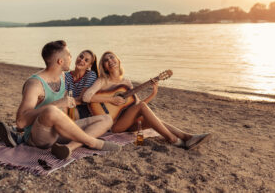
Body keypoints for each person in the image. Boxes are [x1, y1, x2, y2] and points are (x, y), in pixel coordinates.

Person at [0, 41, 120, 160]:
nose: (72, 58)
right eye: (69, 55)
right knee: (51, 110)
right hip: (40, 135)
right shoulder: (35, 84)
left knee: (106, 119)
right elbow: (20, 122)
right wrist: (57, 104)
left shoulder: (62, 77)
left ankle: (70, 147)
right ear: (60, 61)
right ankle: (92, 142)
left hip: (60, 131)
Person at [83, 51, 211, 150]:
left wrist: (153, 93)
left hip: (129, 123)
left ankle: (187, 137)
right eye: (106, 60)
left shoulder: (126, 83)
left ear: (118, 60)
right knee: (144, 109)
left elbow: (138, 105)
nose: (110, 60)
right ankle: (172, 139)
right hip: (115, 125)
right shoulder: (103, 81)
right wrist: (112, 99)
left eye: (112, 57)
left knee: (153, 121)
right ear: (104, 66)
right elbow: (86, 97)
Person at [65, 50, 99, 120]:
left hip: (83, 109)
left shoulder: (90, 75)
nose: (81, 60)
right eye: (81, 56)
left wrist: (66, 102)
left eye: (86, 60)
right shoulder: (66, 76)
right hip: (67, 105)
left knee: (62, 110)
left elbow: (82, 99)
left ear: (89, 65)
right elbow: (64, 96)